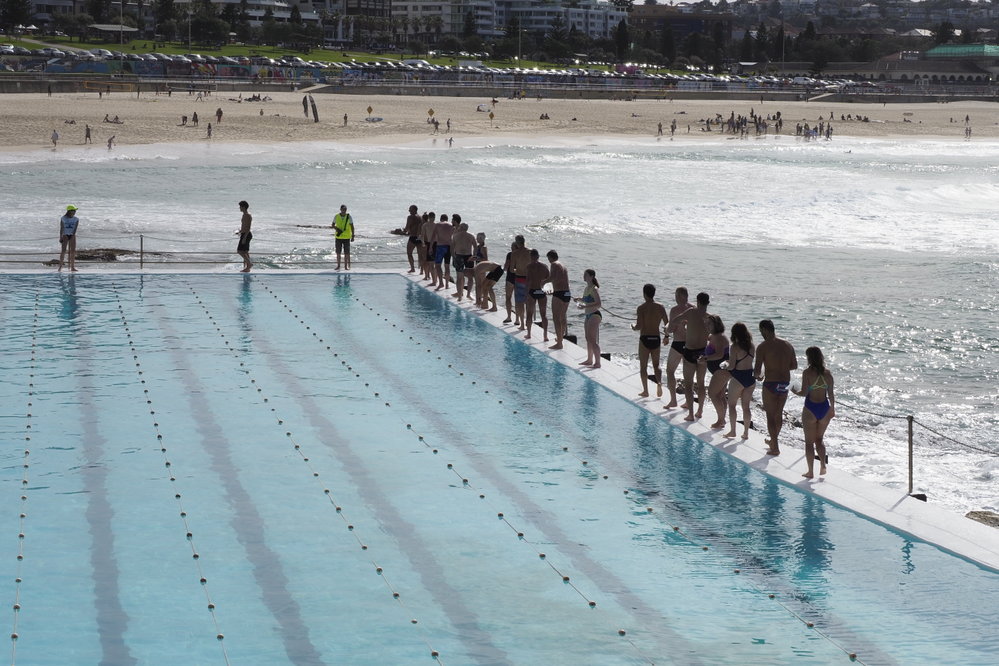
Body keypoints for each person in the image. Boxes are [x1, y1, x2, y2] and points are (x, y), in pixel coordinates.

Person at [755, 319, 798, 456]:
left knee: (770, 415)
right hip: (784, 383)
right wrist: (781, 366)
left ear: (765, 330)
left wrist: (759, 376)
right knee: (778, 413)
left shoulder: (762, 347)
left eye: (761, 331)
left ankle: (775, 447)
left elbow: (756, 371)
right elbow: (794, 365)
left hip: (771, 383)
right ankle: (773, 441)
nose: (761, 333)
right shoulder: (788, 345)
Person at [793, 347, 835, 479]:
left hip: (811, 408)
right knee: (819, 440)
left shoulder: (807, 373)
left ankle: (810, 472)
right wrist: (832, 409)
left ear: (809, 358)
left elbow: (804, 392)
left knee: (809, 442)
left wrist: (794, 391)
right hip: (824, 408)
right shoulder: (828, 374)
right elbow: (831, 394)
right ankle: (823, 465)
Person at [672, 292, 711, 421]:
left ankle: (690, 414)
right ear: (708, 303)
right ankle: (700, 411)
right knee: (701, 383)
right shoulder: (710, 318)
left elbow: (676, 320)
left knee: (688, 385)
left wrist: (680, 326)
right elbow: (714, 336)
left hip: (689, 351)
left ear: (697, 301)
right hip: (702, 353)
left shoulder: (691, 312)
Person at [633, 284, 669, 398]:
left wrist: (633, 326)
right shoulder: (661, 307)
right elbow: (667, 324)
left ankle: (646, 391)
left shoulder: (641, 308)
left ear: (644, 294)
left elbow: (639, 326)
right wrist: (666, 336)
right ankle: (659, 383)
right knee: (656, 365)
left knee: (643, 366)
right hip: (656, 338)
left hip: (645, 338)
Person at [664, 287, 695, 408]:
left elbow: (671, 329)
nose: (675, 298)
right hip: (691, 345)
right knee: (689, 376)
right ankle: (688, 402)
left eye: (676, 295)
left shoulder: (675, 310)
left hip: (678, 343)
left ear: (681, 296)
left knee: (670, 371)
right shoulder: (694, 308)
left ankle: (673, 400)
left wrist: (667, 330)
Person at [725, 322, 756, 440]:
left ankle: (733, 431)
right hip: (750, 378)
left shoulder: (734, 347)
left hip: (738, 377)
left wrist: (725, 365)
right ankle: (746, 433)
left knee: (732, 405)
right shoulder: (752, 346)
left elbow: (732, 366)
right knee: (746, 406)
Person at [702, 315, 731, 429]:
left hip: (722, 370)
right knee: (720, 395)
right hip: (720, 370)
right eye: (706, 323)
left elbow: (719, 354)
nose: (707, 326)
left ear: (717, 325)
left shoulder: (720, 337)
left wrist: (705, 359)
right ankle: (722, 419)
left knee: (712, 394)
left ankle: (721, 420)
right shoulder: (713, 336)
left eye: (709, 324)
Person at [575, 269, 601, 368]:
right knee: (587, 338)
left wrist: (585, 307)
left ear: (591, 276)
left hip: (595, 314)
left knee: (592, 339)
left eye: (586, 275)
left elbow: (598, 304)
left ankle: (598, 362)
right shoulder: (587, 288)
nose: (584, 276)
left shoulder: (594, 288)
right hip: (588, 315)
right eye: (584, 274)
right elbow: (587, 300)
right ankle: (589, 359)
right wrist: (579, 299)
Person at [524, 249, 550, 341]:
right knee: (544, 315)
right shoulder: (545, 267)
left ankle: (529, 334)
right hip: (541, 291)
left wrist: (526, 294)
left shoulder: (529, 267)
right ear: (538, 257)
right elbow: (548, 280)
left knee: (529, 314)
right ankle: (545, 336)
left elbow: (528, 281)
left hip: (532, 291)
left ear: (531, 257)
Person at [547, 250, 570, 350]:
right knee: (562, 317)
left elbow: (552, 278)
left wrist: (542, 282)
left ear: (551, 258)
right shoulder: (563, 266)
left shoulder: (554, 264)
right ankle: (560, 338)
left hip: (559, 294)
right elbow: (561, 280)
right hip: (566, 293)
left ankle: (559, 343)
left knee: (556, 318)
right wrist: (554, 290)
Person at [509, 235, 531, 330]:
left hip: (519, 279)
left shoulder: (514, 253)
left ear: (517, 243)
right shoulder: (530, 252)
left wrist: (518, 269)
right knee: (529, 303)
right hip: (529, 279)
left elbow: (511, 269)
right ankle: (528, 324)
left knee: (519, 303)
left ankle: (522, 324)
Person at [450, 222, 476, 301]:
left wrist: (453, 256)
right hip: (468, 256)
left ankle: (460, 295)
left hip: (459, 256)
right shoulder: (471, 236)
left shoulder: (455, 236)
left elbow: (452, 248)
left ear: (460, 227)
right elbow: (476, 247)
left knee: (459, 276)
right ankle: (468, 294)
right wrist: (473, 256)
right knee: (470, 277)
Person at [430, 213, 453, 289]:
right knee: (447, 266)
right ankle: (447, 284)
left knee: (438, 265)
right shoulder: (451, 225)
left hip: (440, 247)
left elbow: (433, 237)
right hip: (449, 247)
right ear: (447, 219)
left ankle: (441, 283)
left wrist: (430, 247)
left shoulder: (438, 225)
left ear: (440, 219)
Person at [332, 204, 354, 270]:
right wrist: (337, 229)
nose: (344, 211)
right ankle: (338, 266)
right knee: (338, 252)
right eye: (343, 209)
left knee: (346, 253)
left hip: (347, 237)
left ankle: (345, 266)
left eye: (345, 209)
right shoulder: (336, 216)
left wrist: (353, 236)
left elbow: (352, 226)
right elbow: (333, 225)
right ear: (340, 209)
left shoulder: (349, 217)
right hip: (338, 237)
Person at [58, 205, 80, 272]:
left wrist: (73, 235)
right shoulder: (63, 218)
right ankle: (60, 267)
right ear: (69, 211)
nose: (74, 212)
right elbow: (61, 228)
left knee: (73, 251)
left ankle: (72, 267)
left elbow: (75, 228)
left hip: (72, 235)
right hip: (65, 235)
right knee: (63, 251)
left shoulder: (76, 219)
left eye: (75, 211)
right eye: (73, 210)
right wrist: (61, 236)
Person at [502, 242, 518, 325]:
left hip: (510, 277)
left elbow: (506, 266)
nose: (511, 248)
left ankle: (509, 317)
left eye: (512, 246)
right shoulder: (522, 255)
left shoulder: (510, 254)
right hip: (519, 278)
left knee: (508, 297)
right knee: (518, 299)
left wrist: (503, 268)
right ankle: (518, 319)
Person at [236, 200, 253, 272]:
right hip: (244, 233)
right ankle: (247, 267)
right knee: (245, 251)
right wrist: (240, 231)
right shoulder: (244, 215)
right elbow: (244, 226)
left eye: (240, 206)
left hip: (246, 234)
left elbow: (248, 227)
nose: (239, 208)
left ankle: (249, 264)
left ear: (243, 207)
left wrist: (244, 237)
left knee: (239, 251)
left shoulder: (247, 215)